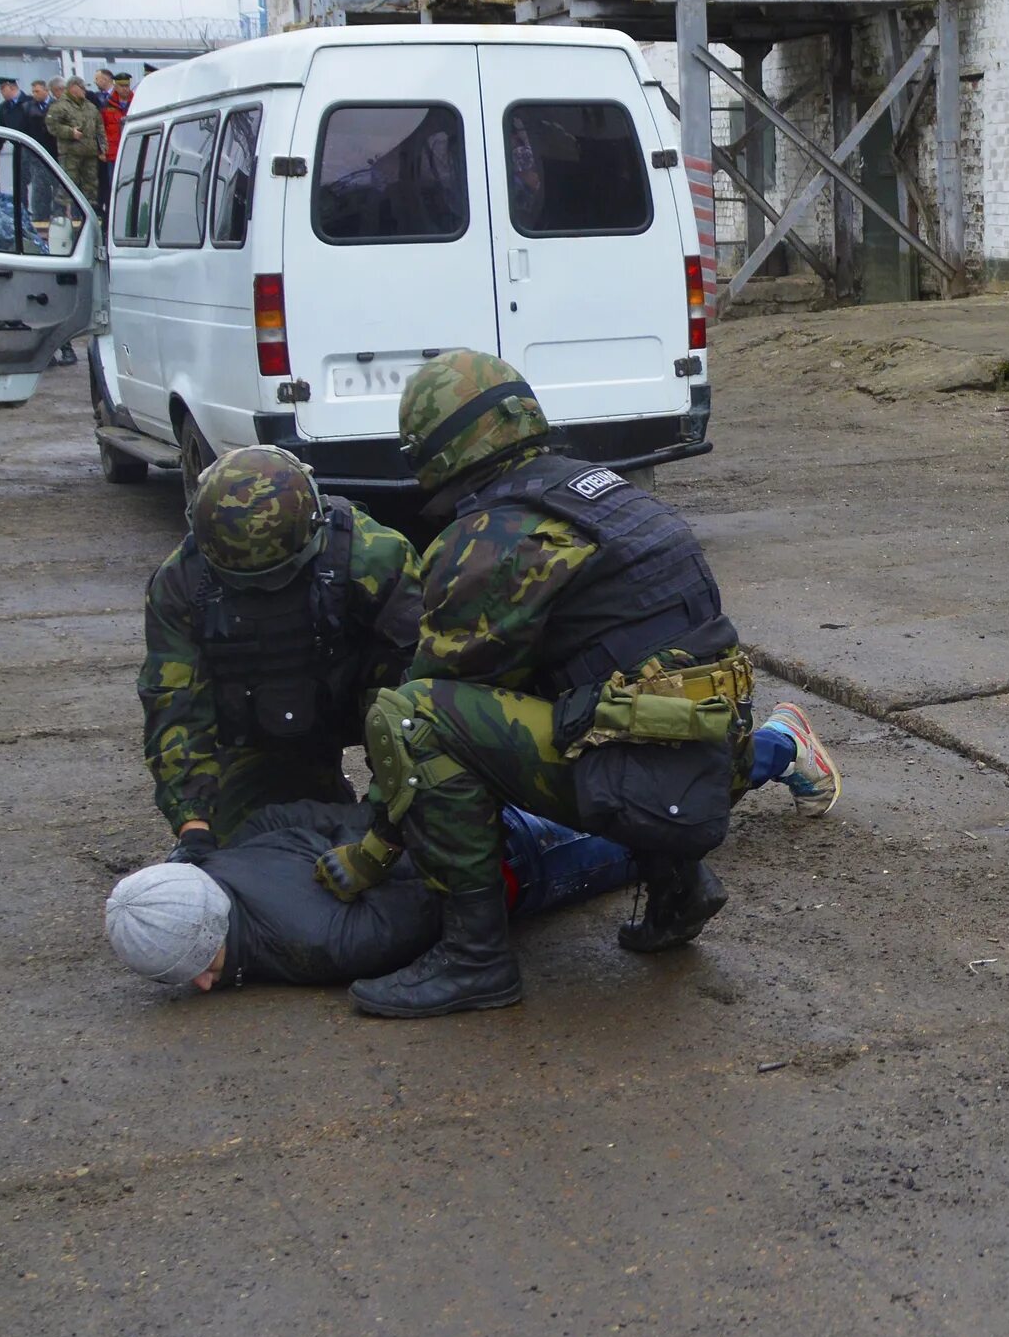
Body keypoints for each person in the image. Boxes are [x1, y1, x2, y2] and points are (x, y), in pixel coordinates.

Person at [318, 351, 838, 1018]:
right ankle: (679, 886)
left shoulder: (493, 536)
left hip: (648, 782)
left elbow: (428, 700)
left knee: (415, 716)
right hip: (715, 764)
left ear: (436, 450)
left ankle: (474, 960)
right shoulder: (607, 492)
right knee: (598, 693)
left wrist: (372, 848)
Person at [103, 713, 824, 994]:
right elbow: (304, 816)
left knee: (658, 815)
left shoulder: (316, 946)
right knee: (619, 782)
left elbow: (427, 912)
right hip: (447, 801)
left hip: (516, 862)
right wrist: (377, 830)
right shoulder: (227, 856)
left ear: (203, 973)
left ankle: (779, 744)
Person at [139, 445, 421, 864]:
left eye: (280, 580)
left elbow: (423, 687)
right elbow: (175, 706)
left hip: (369, 705)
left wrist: (390, 822)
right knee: (249, 854)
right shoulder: (181, 583)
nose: (266, 596)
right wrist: (193, 826)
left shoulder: (374, 556)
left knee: (430, 836)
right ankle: (314, 786)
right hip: (266, 725)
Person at [44, 77, 105, 208]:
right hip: (70, 154)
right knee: (68, 185)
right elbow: (52, 125)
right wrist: (70, 132)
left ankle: (90, 213)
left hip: (90, 153)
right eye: (82, 87)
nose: (84, 90)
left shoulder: (90, 106)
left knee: (91, 186)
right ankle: (65, 214)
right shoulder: (59, 106)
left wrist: (103, 148)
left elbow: (99, 127)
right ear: (73, 88)